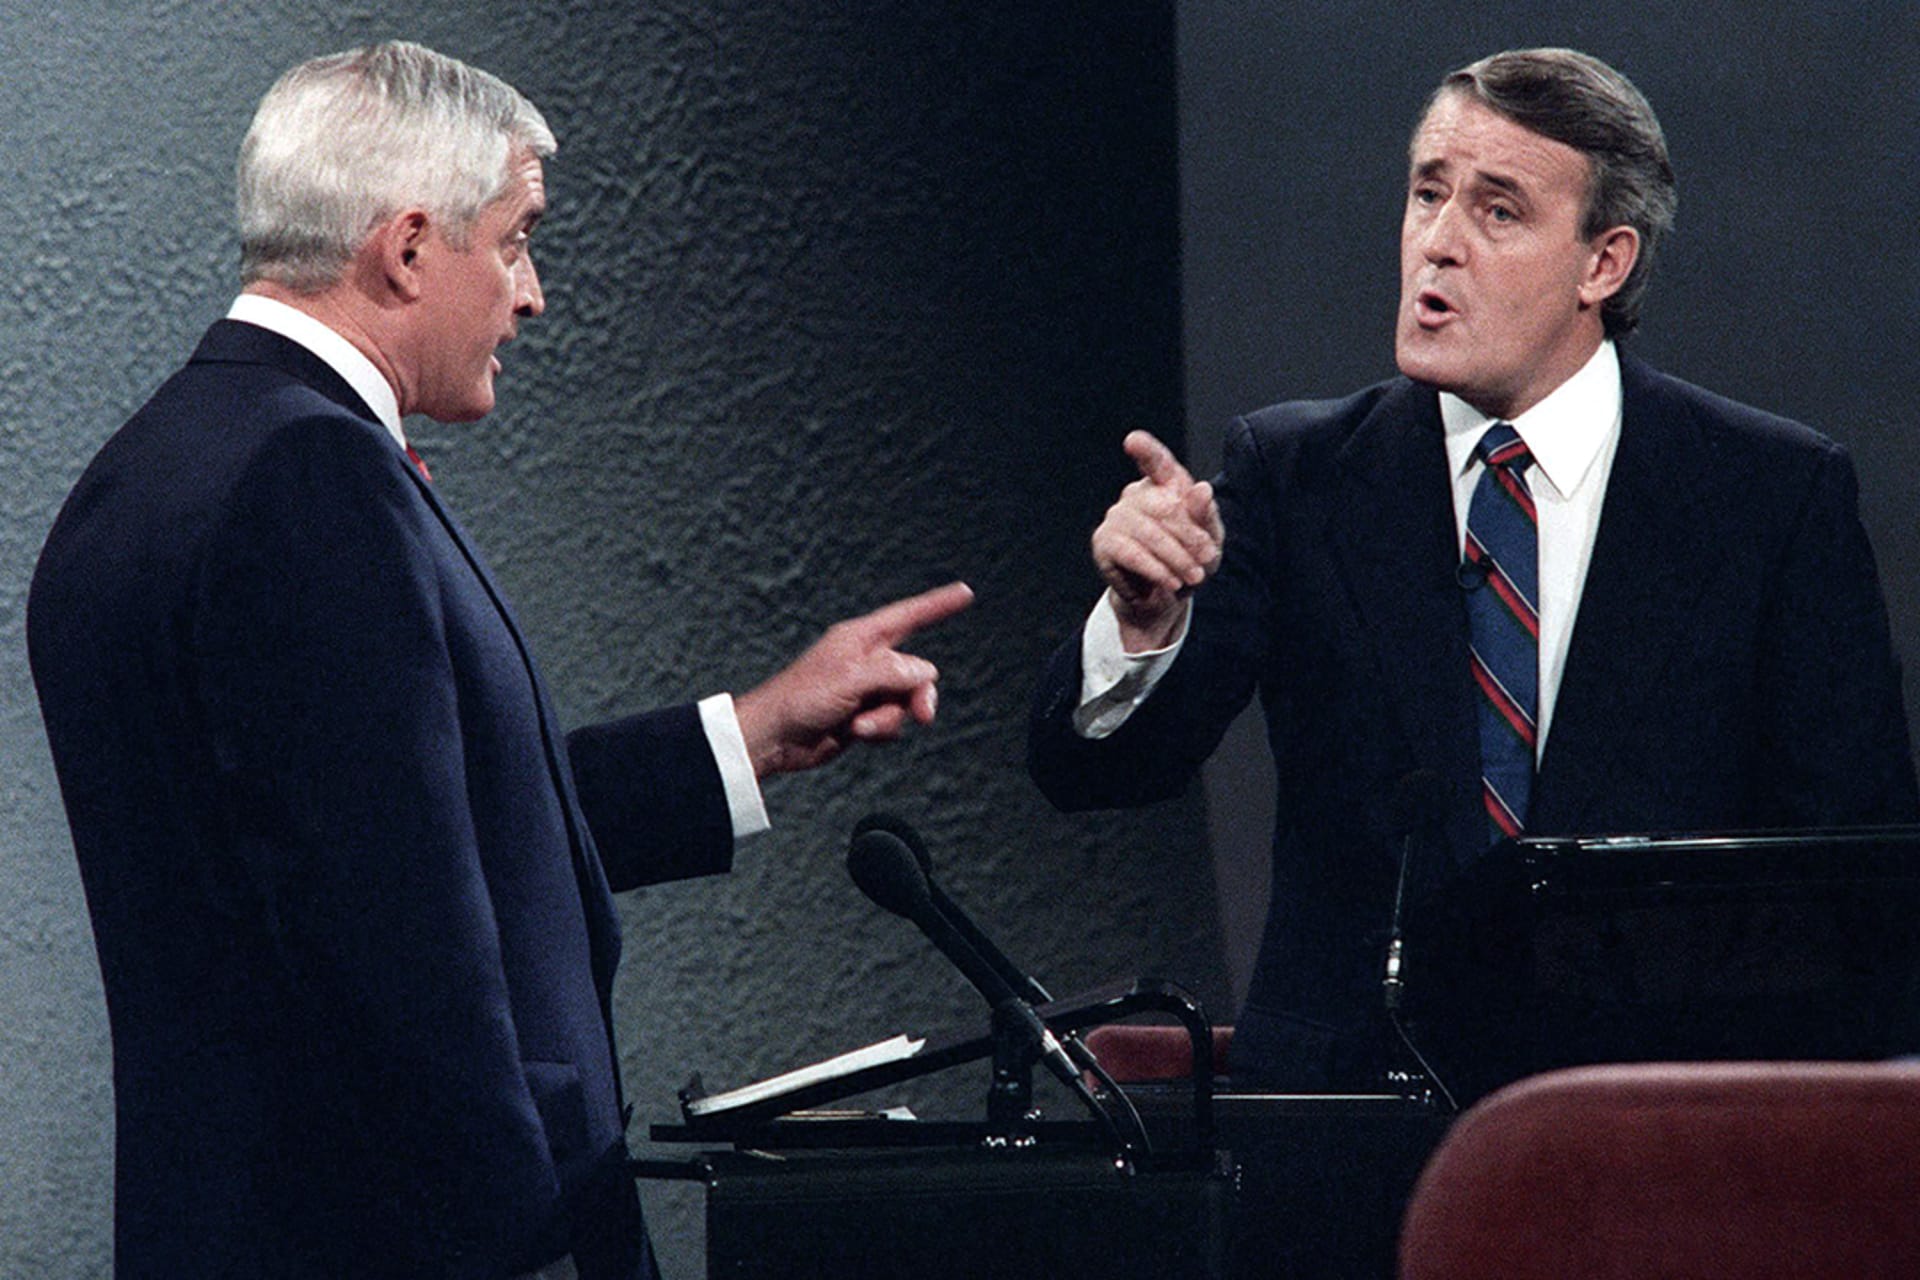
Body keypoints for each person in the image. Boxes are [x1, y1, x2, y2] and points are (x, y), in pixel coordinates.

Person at [28, 41, 971, 1280]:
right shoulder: (310, 479)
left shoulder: (149, 470)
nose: (531, 295)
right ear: (409, 248)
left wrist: (746, 735)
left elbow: (400, 826)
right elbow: (393, 938)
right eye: (519, 238)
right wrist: (518, 1230)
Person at [1029, 47, 1917, 1092]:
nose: (1437, 245)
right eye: (1427, 193)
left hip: (1647, 1133)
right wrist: (1142, 625)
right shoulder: (1297, 473)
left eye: (1498, 212)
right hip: (1351, 1130)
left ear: (1604, 263)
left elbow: (1858, 876)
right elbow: (1098, 771)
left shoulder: (1770, 494)